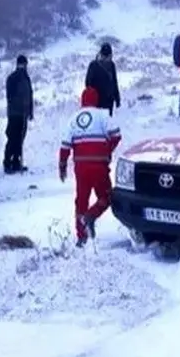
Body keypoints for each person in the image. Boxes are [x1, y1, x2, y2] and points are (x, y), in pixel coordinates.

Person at [58, 86, 121, 247]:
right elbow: (116, 135)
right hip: (99, 165)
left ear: (82, 100)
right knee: (106, 197)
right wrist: (107, 150)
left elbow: (65, 146)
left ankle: (81, 236)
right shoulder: (103, 115)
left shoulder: (73, 119)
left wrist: (62, 166)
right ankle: (91, 216)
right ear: (96, 100)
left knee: (81, 201)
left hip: (81, 167)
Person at [3, 54, 34, 173]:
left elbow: (30, 95)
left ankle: (16, 162)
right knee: (13, 138)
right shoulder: (13, 78)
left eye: (24, 65)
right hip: (15, 113)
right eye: (22, 64)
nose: (23, 67)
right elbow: (10, 97)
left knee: (20, 139)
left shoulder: (25, 78)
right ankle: (7, 163)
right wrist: (24, 108)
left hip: (22, 114)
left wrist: (30, 111)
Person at [84, 42, 121, 116]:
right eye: (106, 56)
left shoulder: (112, 65)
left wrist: (117, 98)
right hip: (96, 102)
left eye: (110, 56)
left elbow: (114, 82)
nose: (108, 58)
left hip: (109, 102)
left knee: (107, 120)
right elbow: (87, 83)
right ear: (101, 55)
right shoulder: (93, 65)